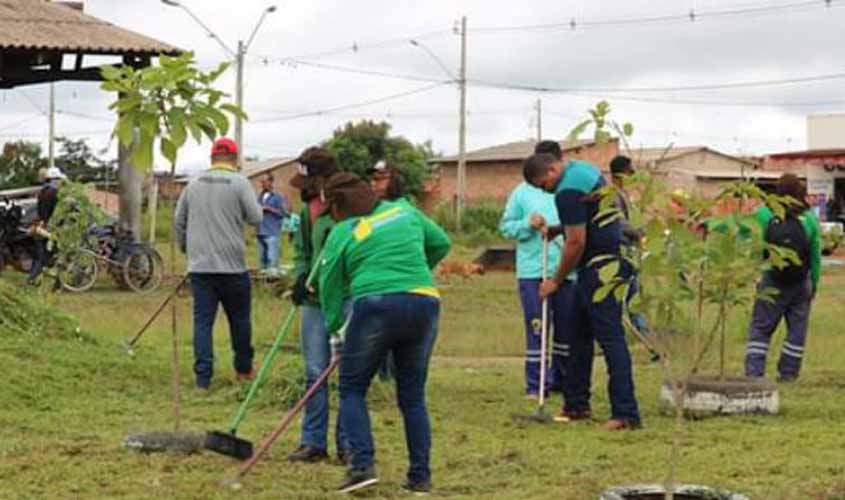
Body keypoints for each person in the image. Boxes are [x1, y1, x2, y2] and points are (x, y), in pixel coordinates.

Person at [317, 173, 451, 494]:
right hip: (424, 302)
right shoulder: (404, 211)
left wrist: (336, 326)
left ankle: (362, 466)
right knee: (413, 395)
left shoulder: (342, 232)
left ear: (338, 206)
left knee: (351, 387)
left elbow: (329, 286)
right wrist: (413, 272)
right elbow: (441, 243)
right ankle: (420, 477)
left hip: (375, 305)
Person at [525, 152, 642, 430]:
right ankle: (576, 405)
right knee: (577, 334)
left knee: (611, 338)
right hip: (603, 263)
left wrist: (555, 280)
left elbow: (576, 242)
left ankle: (626, 414)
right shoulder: (584, 169)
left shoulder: (566, 192)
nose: (544, 189)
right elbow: (587, 219)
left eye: (543, 183)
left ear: (553, 169)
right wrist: (558, 229)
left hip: (602, 267)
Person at [174, 138, 262, 390]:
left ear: (212, 158)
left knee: (203, 323)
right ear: (234, 159)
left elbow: (179, 222)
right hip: (233, 267)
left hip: (201, 268)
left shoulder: (193, 184)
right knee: (240, 321)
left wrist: (187, 250)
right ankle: (243, 371)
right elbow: (256, 217)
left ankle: (203, 378)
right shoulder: (240, 183)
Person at [287, 146, 348, 463]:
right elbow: (302, 252)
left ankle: (349, 443)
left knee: (348, 372)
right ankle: (313, 442)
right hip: (314, 301)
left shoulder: (349, 207)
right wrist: (300, 278)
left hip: (346, 298)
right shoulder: (307, 211)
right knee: (314, 371)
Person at [499, 140, 570, 400]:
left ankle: (563, 381)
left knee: (566, 330)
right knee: (537, 327)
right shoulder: (521, 192)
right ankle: (536, 383)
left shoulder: (569, 189)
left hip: (566, 270)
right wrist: (527, 223)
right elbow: (506, 227)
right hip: (532, 271)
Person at [745, 173, 822, 382]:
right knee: (797, 330)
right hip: (800, 284)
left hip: (771, 278)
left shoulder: (763, 215)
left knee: (761, 328)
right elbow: (815, 256)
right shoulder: (810, 219)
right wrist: (813, 284)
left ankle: (754, 372)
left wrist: (756, 273)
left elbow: (751, 242)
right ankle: (788, 373)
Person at [609, 155, 658, 362]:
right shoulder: (612, 195)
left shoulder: (623, 195)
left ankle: (654, 346)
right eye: (630, 173)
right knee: (630, 301)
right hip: (621, 254)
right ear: (621, 174)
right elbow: (620, 224)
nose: (633, 177)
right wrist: (640, 232)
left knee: (635, 301)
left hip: (629, 252)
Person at [28, 167, 66, 285]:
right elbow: (56, 212)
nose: (60, 182)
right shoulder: (54, 193)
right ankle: (34, 280)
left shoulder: (43, 191)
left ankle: (39, 280)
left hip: (41, 225)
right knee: (49, 256)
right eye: (58, 179)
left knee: (41, 255)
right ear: (54, 179)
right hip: (50, 227)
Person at [256, 173, 288, 270]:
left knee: (272, 262)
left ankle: (275, 283)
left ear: (270, 182)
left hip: (272, 232)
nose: (262, 184)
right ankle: (264, 284)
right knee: (262, 262)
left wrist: (269, 209)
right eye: (261, 182)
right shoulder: (260, 197)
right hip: (260, 232)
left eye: (264, 182)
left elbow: (284, 214)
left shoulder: (278, 196)